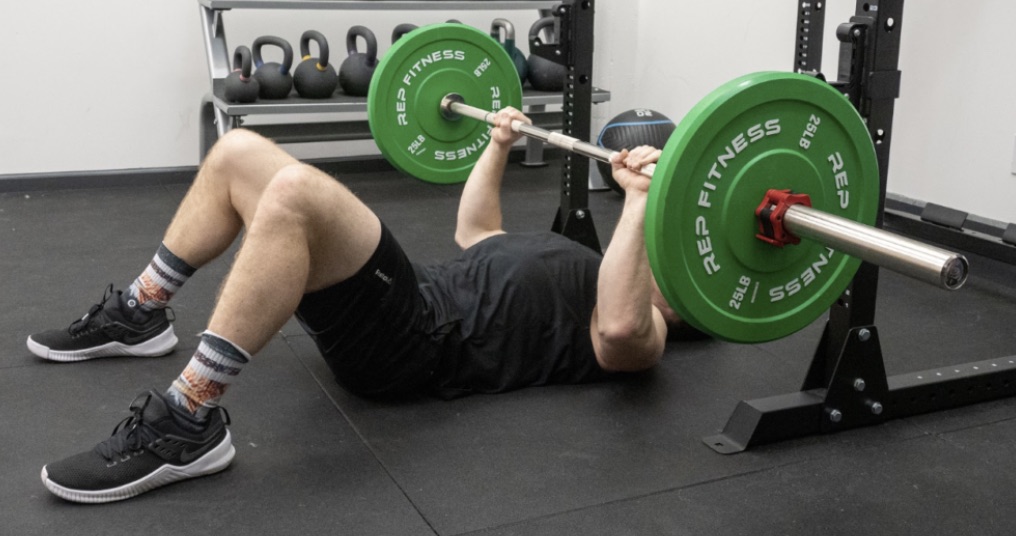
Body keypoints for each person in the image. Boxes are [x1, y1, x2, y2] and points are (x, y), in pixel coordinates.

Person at [28, 107, 685, 504]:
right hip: (411, 298)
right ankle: (141, 312)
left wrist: (635, 203)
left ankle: (189, 418)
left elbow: (621, 329)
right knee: (238, 151)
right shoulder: (583, 263)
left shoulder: (647, 322)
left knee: (294, 193)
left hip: (419, 344)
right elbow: (476, 232)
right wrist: (498, 144)